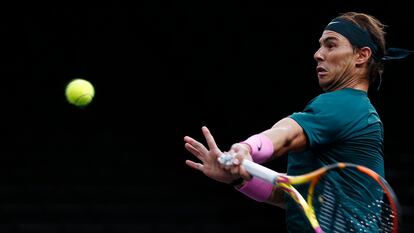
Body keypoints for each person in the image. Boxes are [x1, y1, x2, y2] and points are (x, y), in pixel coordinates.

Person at [184, 12, 409, 232]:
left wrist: (247, 148)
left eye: (331, 45)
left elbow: (287, 134)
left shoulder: (345, 105)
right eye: (320, 45)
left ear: (361, 55)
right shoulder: (361, 113)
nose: (318, 54)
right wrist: (239, 179)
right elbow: (294, 199)